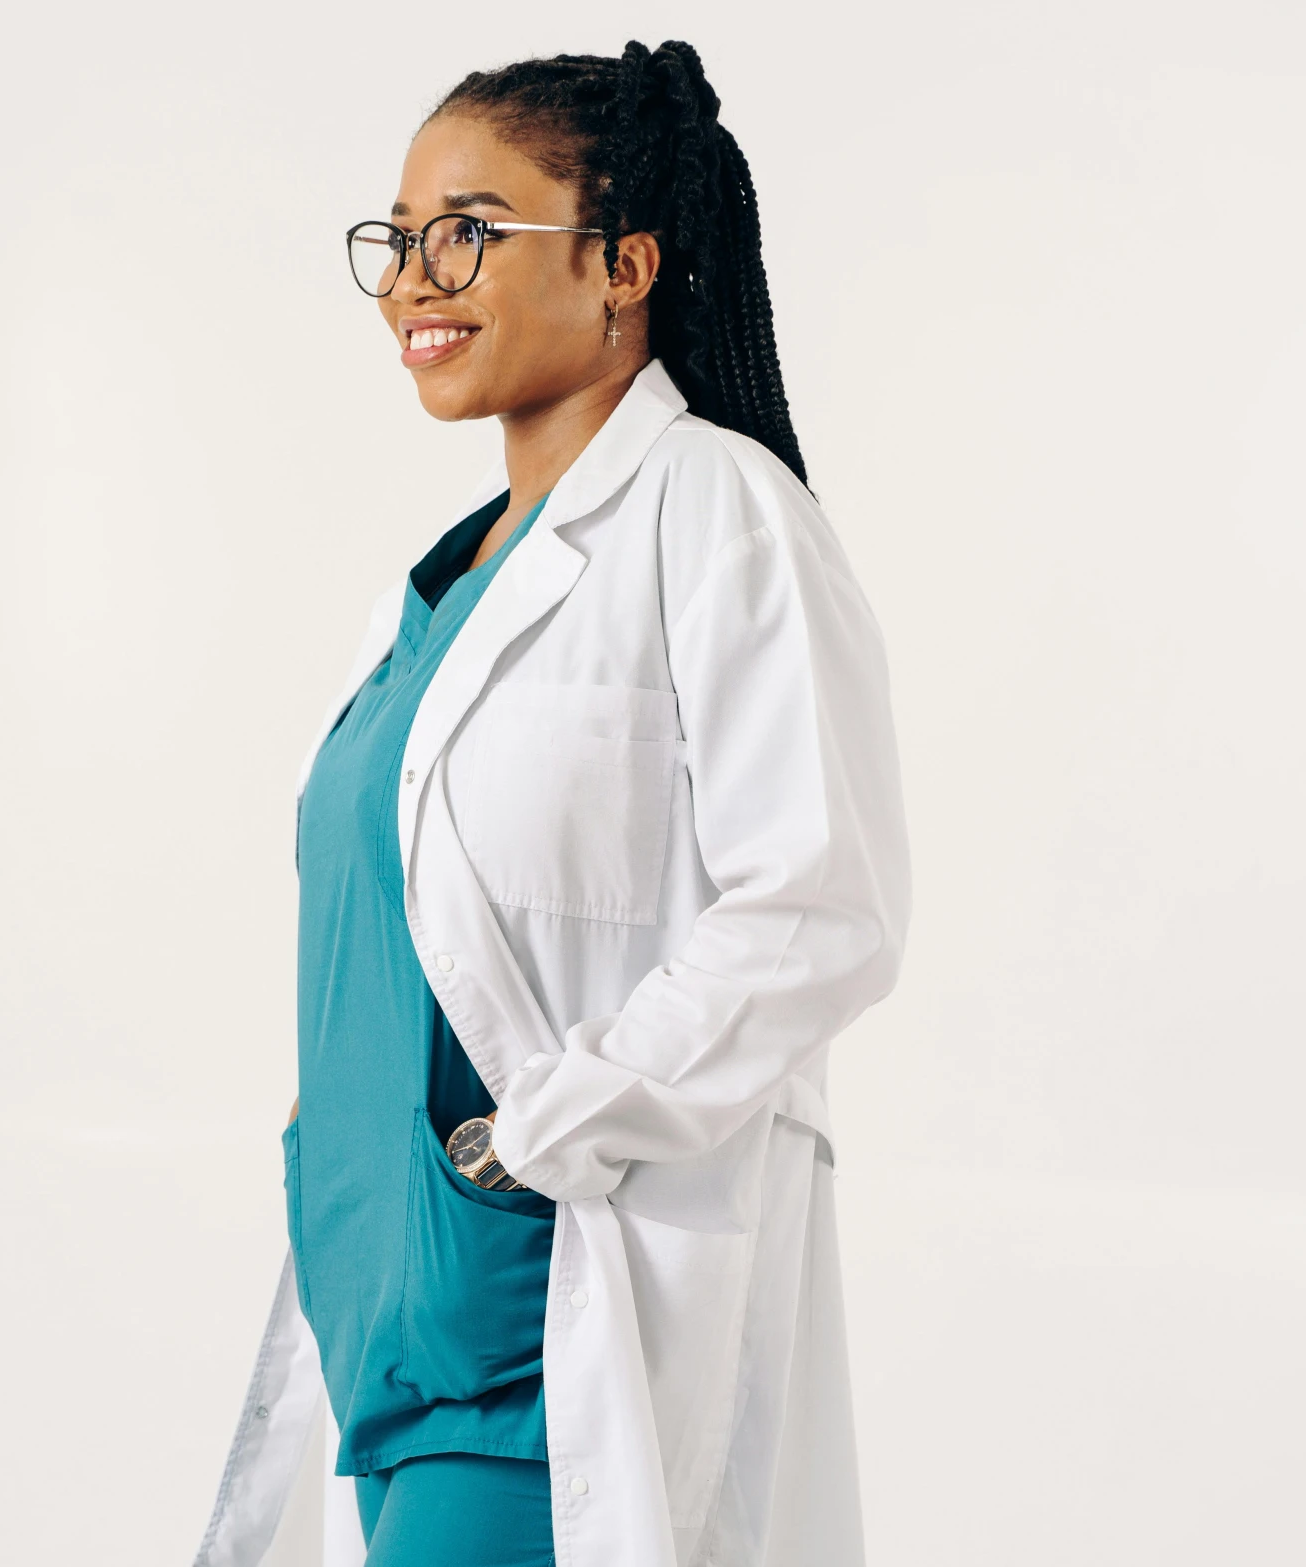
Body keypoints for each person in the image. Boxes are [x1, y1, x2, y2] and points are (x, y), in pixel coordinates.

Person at [195, 40, 909, 1567]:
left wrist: (545, 1129)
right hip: (387, 1349)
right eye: (393, 238)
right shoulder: (440, 589)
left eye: (466, 230)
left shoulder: (720, 513)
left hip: (546, 1343)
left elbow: (820, 904)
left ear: (621, 266)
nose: (410, 281)